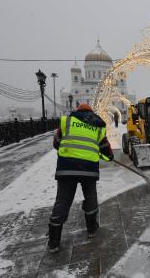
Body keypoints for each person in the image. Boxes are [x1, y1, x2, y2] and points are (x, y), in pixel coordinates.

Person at [48, 103, 114, 253]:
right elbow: (104, 146)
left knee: (63, 201)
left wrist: (69, 149)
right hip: (88, 170)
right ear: (91, 113)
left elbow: (56, 143)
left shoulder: (68, 121)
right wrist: (110, 156)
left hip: (67, 168)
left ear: (78, 112)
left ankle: (54, 241)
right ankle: (91, 229)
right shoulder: (97, 125)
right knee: (90, 197)